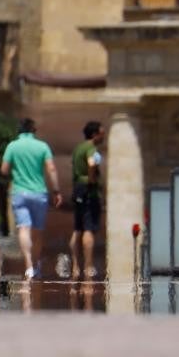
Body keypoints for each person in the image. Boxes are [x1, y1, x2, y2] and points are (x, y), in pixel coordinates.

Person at [1, 118, 62, 280]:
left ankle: (28, 265)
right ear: (33, 130)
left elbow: (4, 169)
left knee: (23, 228)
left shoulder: (12, 146)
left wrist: (17, 169)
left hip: (19, 192)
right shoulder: (42, 146)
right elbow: (51, 168)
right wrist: (56, 190)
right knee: (38, 231)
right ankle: (35, 264)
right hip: (39, 192)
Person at [70, 120, 105, 281]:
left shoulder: (78, 148)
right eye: (101, 133)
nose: (103, 135)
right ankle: (88, 267)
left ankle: (75, 266)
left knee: (78, 228)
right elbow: (92, 163)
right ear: (94, 134)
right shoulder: (91, 148)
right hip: (88, 190)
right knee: (89, 228)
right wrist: (92, 179)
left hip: (77, 188)